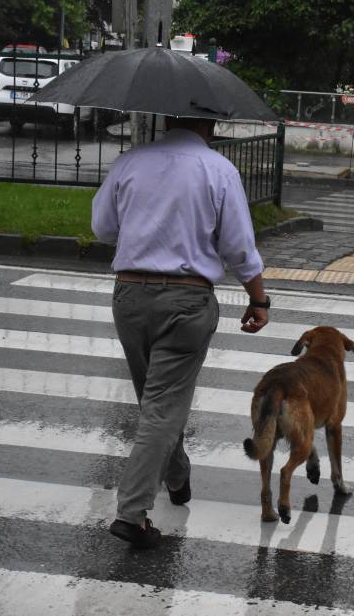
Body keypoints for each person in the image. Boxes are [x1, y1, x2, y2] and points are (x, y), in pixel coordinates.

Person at [92, 115, 270, 549]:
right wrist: (259, 298)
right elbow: (238, 246)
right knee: (162, 410)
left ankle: (176, 474)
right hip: (187, 302)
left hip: (130, 297)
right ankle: (131, 514)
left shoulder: (129, 162)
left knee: (156, 405)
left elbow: (103, 228)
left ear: (167, 117)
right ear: (209, 122)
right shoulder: (217, 169)